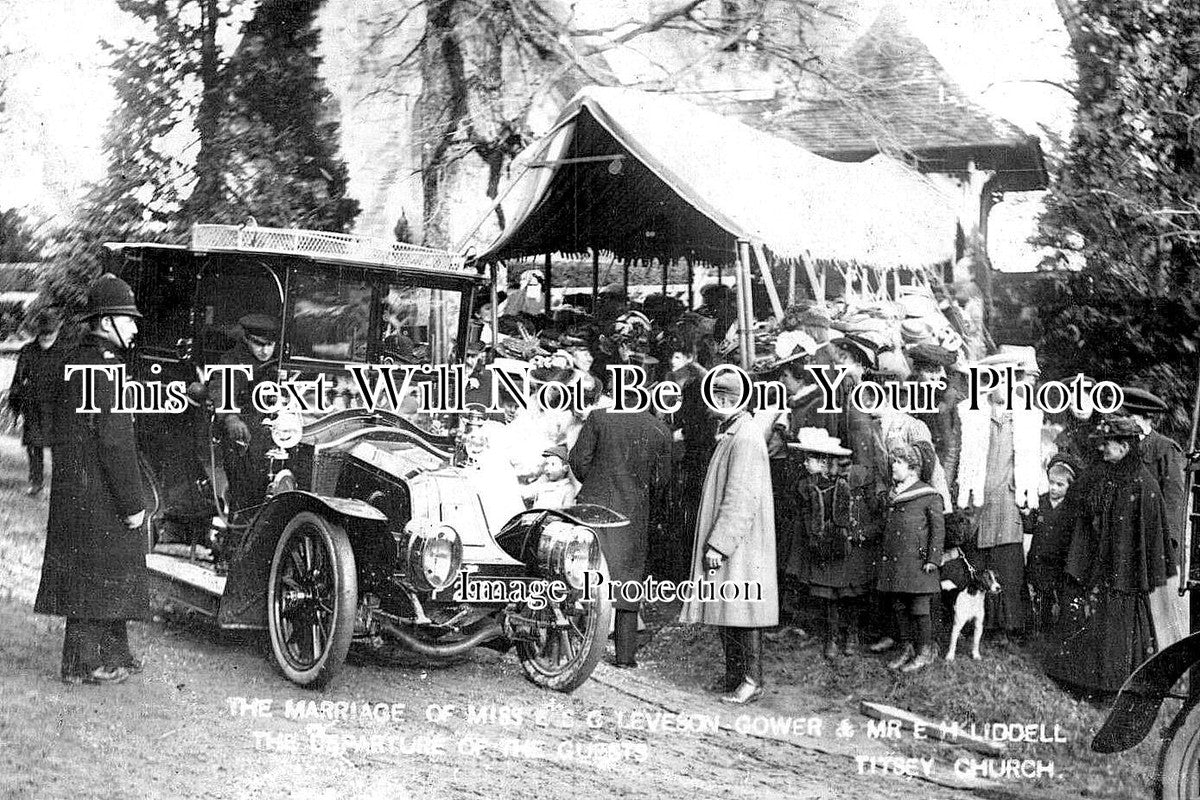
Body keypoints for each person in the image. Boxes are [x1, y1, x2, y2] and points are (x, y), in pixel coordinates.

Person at [33, 274, 147, 685]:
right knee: (101, 573)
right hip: (101, 491)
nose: (135, 326)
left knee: (95, 569)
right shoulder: (106, 370)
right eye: (127, 319)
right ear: (106, 322)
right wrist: (133, 503)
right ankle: (86, 663)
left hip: (74, 488)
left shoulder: (72, 359)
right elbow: (116, 443)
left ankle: (114, 652)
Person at [1047, 417, 1175, 694]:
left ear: (1125, 447)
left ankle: (1109, 685)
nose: (1103, 448)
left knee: (1115, 625)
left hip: (1121, 572)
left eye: (1108, 443)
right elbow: (1074, 509)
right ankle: (1073, 678)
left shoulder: (1145, 485)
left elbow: (1149, 535)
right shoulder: (1097, 473)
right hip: (1090, 563)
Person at [679, 370, 778, 704]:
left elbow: (741, 497)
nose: (714, 405)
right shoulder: (735, 432)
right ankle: (736, 675)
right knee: (728, 605)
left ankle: (752, 679)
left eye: (721, 398)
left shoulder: (745, 437)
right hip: (736, 539)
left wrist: (720, 544)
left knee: (744, 608)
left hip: (742, 542)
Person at [569, 381, 672, 669]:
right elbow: (661, 482)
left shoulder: (599, 418)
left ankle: (580, 646)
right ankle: (625, 657)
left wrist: (597, 482)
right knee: (628, 581)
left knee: (585, 573)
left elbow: (578, 461)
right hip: (633, 513)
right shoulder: (660, 430)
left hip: (594, 506)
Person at [788, 428, 880, 658]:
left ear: (824, 461)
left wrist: (856, 532)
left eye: (809, 458)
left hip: (850, 545)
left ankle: (852, 634)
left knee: (851, 593)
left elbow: (865, 512)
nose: (805, 463)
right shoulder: (807, 486)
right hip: (827, 545)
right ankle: (831, 636)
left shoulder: (853, 482)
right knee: (830, 595)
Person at [1119, 387, 1188, 649]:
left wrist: (1167, 541)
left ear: (1147, 420)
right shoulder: (1123, 446)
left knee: (1161, 609)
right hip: (1125, 535)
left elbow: (1173, 500)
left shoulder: (1164, 449)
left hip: (1153, 540)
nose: (1129, 422)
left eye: (1134, 417)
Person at [874, 443, 945, 673]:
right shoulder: (895, 494)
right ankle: (907, 648)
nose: (893, 466)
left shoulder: (929, 495)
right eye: (893, 461)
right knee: (899, 605)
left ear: (913, 468)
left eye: (898, 462)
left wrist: (933, 559)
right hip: (897, 562)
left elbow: (938, 530)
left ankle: (925, 651)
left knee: (919, 607)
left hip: (918, 563)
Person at [208, 313, 280, 521]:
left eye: (270, 345)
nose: (265, 351)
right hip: (244, 434)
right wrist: (230, 417)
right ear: (247, 339)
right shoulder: (232, 360)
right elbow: (221, 387)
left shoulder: (279, 363)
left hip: (276, 431)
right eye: (259, 344)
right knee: (246, 492)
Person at [8, 307, 68, 495]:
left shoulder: (65, 353)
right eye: (43, 333)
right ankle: (36, 483)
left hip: (58, 409)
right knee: (34, 447)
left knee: (61, 449)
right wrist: (15, 407)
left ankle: (62, 486)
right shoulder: (27, 351)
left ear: (57, 331)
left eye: (50, 333)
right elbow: (17, 381)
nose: (46, 337)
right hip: (33, 407)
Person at [1023, 454, 1082, 635]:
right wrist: (1026, 514)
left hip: (1059, 562)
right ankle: (1040, 629)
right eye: (1051, 483)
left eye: (1060, 485)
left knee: (1059, 595)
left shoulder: (1072, 509)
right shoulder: (1040, 502)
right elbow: (1030, 527)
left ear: (1070, 486)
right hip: (1039, 559)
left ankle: (1057, 631)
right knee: (1041, 595)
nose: (1054, 488)